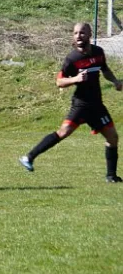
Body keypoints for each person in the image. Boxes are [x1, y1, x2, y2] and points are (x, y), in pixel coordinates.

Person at [19, 22, 123, 182]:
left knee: (113, 138)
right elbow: (59, 82)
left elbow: (105, 69)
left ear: (89, 34)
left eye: (82, 33)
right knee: (63, 132)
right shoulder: (72, 59)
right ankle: (29, 157)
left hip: (97, 106)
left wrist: (115, 81)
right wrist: (75, 79)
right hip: (81, 105)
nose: (78, 36)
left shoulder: (98, 52)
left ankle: (111, 176)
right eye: (75, 33)